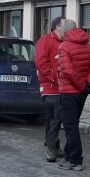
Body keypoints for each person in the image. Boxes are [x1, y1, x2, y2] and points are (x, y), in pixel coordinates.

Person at [56, 20, 90, 171]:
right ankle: (68, 156)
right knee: (73, 124)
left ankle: (75, 160)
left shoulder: (64, 47)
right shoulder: (87, 46)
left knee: (70, 126)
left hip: (69, 92)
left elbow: (67, 71)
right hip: (82, 92)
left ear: (66, 32)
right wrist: (88, 85)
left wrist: (81, 85)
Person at [34, 17, 66, 162]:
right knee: (55, 118)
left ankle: (53, 144)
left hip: (62, 87)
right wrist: (53, 78)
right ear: (58, 27)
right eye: (65, 24)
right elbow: (40, 61)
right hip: (50, 86)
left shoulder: (65, 42)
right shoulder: (45, 41)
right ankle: (51, 148)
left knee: (53, 119)